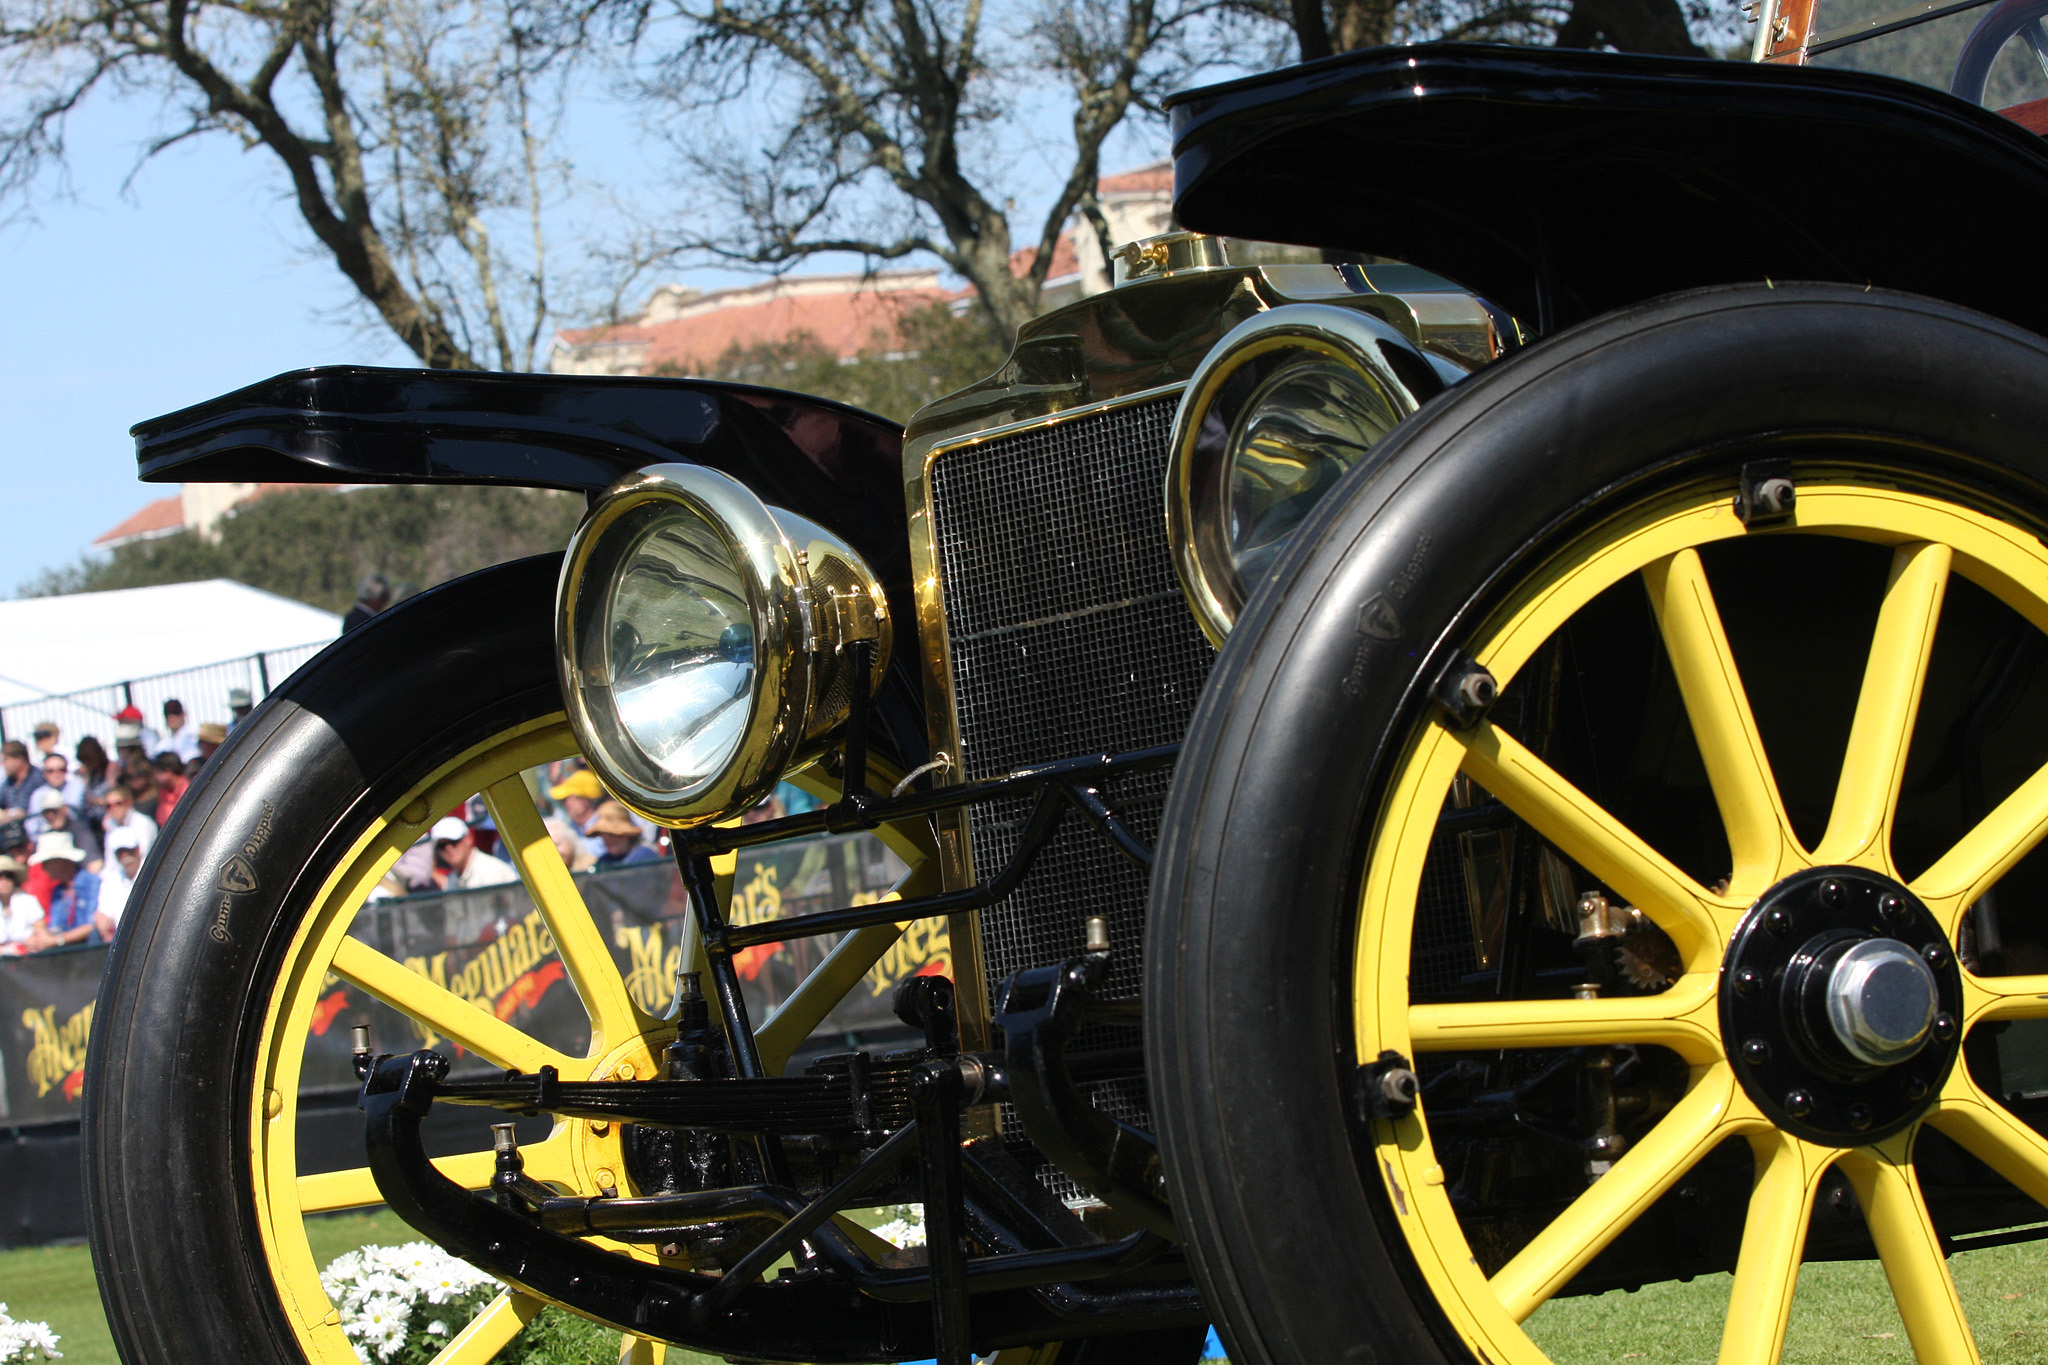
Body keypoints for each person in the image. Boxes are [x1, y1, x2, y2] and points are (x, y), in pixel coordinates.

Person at [30, 831, 99, 947]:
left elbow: (92, 924)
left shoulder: (91, 882)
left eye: (47, 862)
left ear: (61, 861)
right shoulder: (58, 890)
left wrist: (57, 940)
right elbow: (56, 925)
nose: (43, 868)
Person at [431, 816, 520, 889]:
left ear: (468, 839)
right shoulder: (451, 882)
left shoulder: (491, 870)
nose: (449, 848)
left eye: (454, 841)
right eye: (442, 845)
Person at [27, 787, 101, 869]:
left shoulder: (78, 829)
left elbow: (95, 863)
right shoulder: (46, 835)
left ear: (64, 810)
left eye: (54, 811)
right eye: (46, 812)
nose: (50, 816)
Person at [94, 826, 145, 941]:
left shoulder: (151, 872)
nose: (125, 855)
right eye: (120, 851)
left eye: (128, 849)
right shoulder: (111, 879)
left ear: (138, 849)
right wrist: (102, 920)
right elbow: (104, 912)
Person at [589, 802, 661, 870]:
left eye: (612, 834)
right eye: (603, 834)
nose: (607, 840)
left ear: (626, 835)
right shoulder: (604, 861)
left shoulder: (644, 855)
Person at [0, 856, 44, 955]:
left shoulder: (28, 901)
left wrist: (32, 942)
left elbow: (41, 934)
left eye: (8, 876)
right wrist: (8, 950)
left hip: (28, 958)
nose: (4, 880)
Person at [101, 784, 157, 857]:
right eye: (108, 806)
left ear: (129, 801)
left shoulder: (143, 823)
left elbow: (143, 856)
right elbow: (110, 862)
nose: (113, 808)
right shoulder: (111, 825)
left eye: (118, 803)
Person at [0, 740, 47, 822]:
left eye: (6, 760)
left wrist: (9, 815)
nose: (3, 765)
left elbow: (28, 811)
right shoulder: (8, 783)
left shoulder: (38, 779)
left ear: (20, 760)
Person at [75, 736, 115, 829]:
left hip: (109, 821)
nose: (88, 764)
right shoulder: (90, 775)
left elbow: (111, 798)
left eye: (89, 759)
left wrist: (93, 800)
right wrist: (86, 777)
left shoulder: (111, 770)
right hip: (92, 822)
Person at [151, 751, 191, 825]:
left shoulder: (187, 790)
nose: (154, 776)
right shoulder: (162, 790)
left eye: (157, 772)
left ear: (168, 771)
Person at [159, 699, 202, 763]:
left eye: (175, 712)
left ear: (183, 714)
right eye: (167, 713)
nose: (171, 717)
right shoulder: (163, 744)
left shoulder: (195, 736)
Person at [122, 755, 160, 823]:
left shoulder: (158, 798)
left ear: (148, 775)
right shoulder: (128, 799)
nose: (134, 779)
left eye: (138, 774)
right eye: (129, 776)